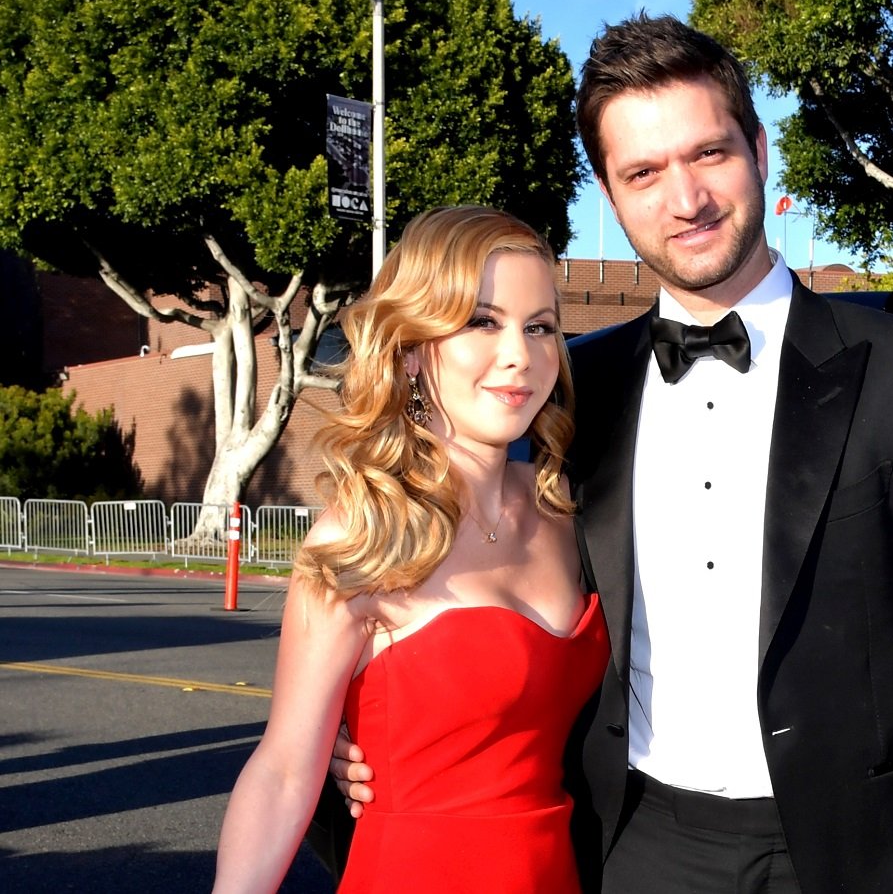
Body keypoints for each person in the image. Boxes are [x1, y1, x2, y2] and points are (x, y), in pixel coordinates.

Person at [333, 15, 893, 894]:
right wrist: (359, 733)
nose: (687, 198)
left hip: (868, 854)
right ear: (609, 191)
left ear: (759, 147)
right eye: (643, 173)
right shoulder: (572, 385)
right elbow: (447, 565)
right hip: (635, 844)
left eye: (709, 154)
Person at [213, 205, 608, 894]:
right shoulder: (361, 533)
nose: (520, 353)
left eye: (540, 326)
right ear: (414, 346)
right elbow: (282, 770)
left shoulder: (569, 512)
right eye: (482, 321)